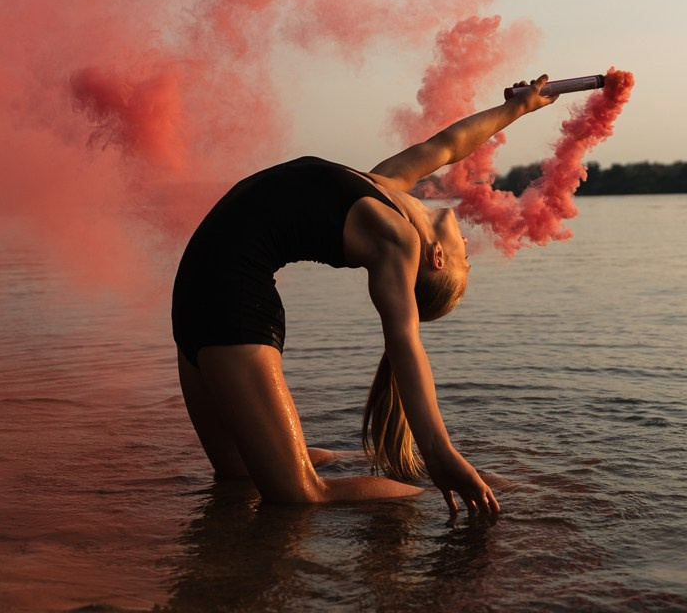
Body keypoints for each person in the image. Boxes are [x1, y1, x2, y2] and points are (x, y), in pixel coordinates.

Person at [172, 75, 556, 514]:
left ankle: (425, 498)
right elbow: (449, 145)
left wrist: (440, 453)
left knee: (301, 496)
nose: (469, 250)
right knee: (237, 476)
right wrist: (519, 108)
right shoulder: (386, 188)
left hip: (226, 297)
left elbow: (404, 342)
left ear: (434, 259)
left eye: (464, 263)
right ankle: (363, 463)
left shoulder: (397, 240)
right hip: (202, 291)